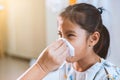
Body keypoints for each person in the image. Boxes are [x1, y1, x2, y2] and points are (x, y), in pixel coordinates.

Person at [18, 3, 120, 80]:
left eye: (70, 35)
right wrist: (41, 67)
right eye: (60, 35)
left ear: (93, 39)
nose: (62, 41)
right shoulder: (65, 66)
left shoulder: (109, 75)